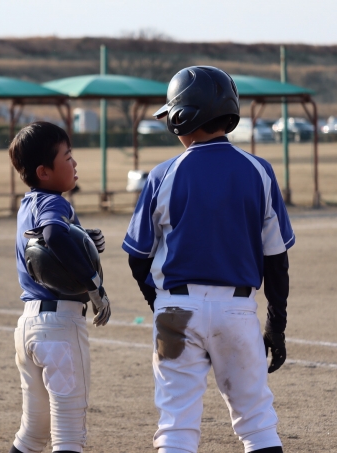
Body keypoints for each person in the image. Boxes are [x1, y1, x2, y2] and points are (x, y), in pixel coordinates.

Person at [122, 66, 293, 453]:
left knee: (176, 426)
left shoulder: (164, 174)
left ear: (182, 117)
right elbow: (276, 261)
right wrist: (276, 325)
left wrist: (160, 304)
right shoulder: (259, 171)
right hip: (237, 310)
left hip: (176, 310)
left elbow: (137, 258)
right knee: (257, 424)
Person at [8, 121, 112, 453]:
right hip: (60, 329)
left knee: (32, 434)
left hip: (29, 325)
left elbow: (49, 240)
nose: (74, 162)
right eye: (67, 157)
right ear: (44, 172)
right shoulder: (56, 203)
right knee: (68, 436)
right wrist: (95, 286)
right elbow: (52, 235)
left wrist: (82, 236)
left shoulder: (28, 204)